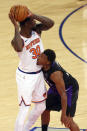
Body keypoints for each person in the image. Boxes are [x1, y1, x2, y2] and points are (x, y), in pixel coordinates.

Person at [9, 7, 54, 131]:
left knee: (41, 107)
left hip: (38, 74)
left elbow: (50, 23)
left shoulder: (36, 30)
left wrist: (33, 14)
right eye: (32, 20)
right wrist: (15, 26)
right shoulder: (18, 40)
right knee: (24, 109)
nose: (35, 21)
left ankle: (25, 129)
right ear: (27, 23)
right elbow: (18, 47)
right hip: (25, 77)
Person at [37, 49, 80, 131]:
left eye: (42, 57)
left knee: (68, 121)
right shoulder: (42, 64)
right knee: (45, 108)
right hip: (56, 89)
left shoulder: (55, 74)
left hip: (69, 91)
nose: (38, 58)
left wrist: (63, 114)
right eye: (40, 55)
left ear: (47, 62)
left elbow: (63, 95)